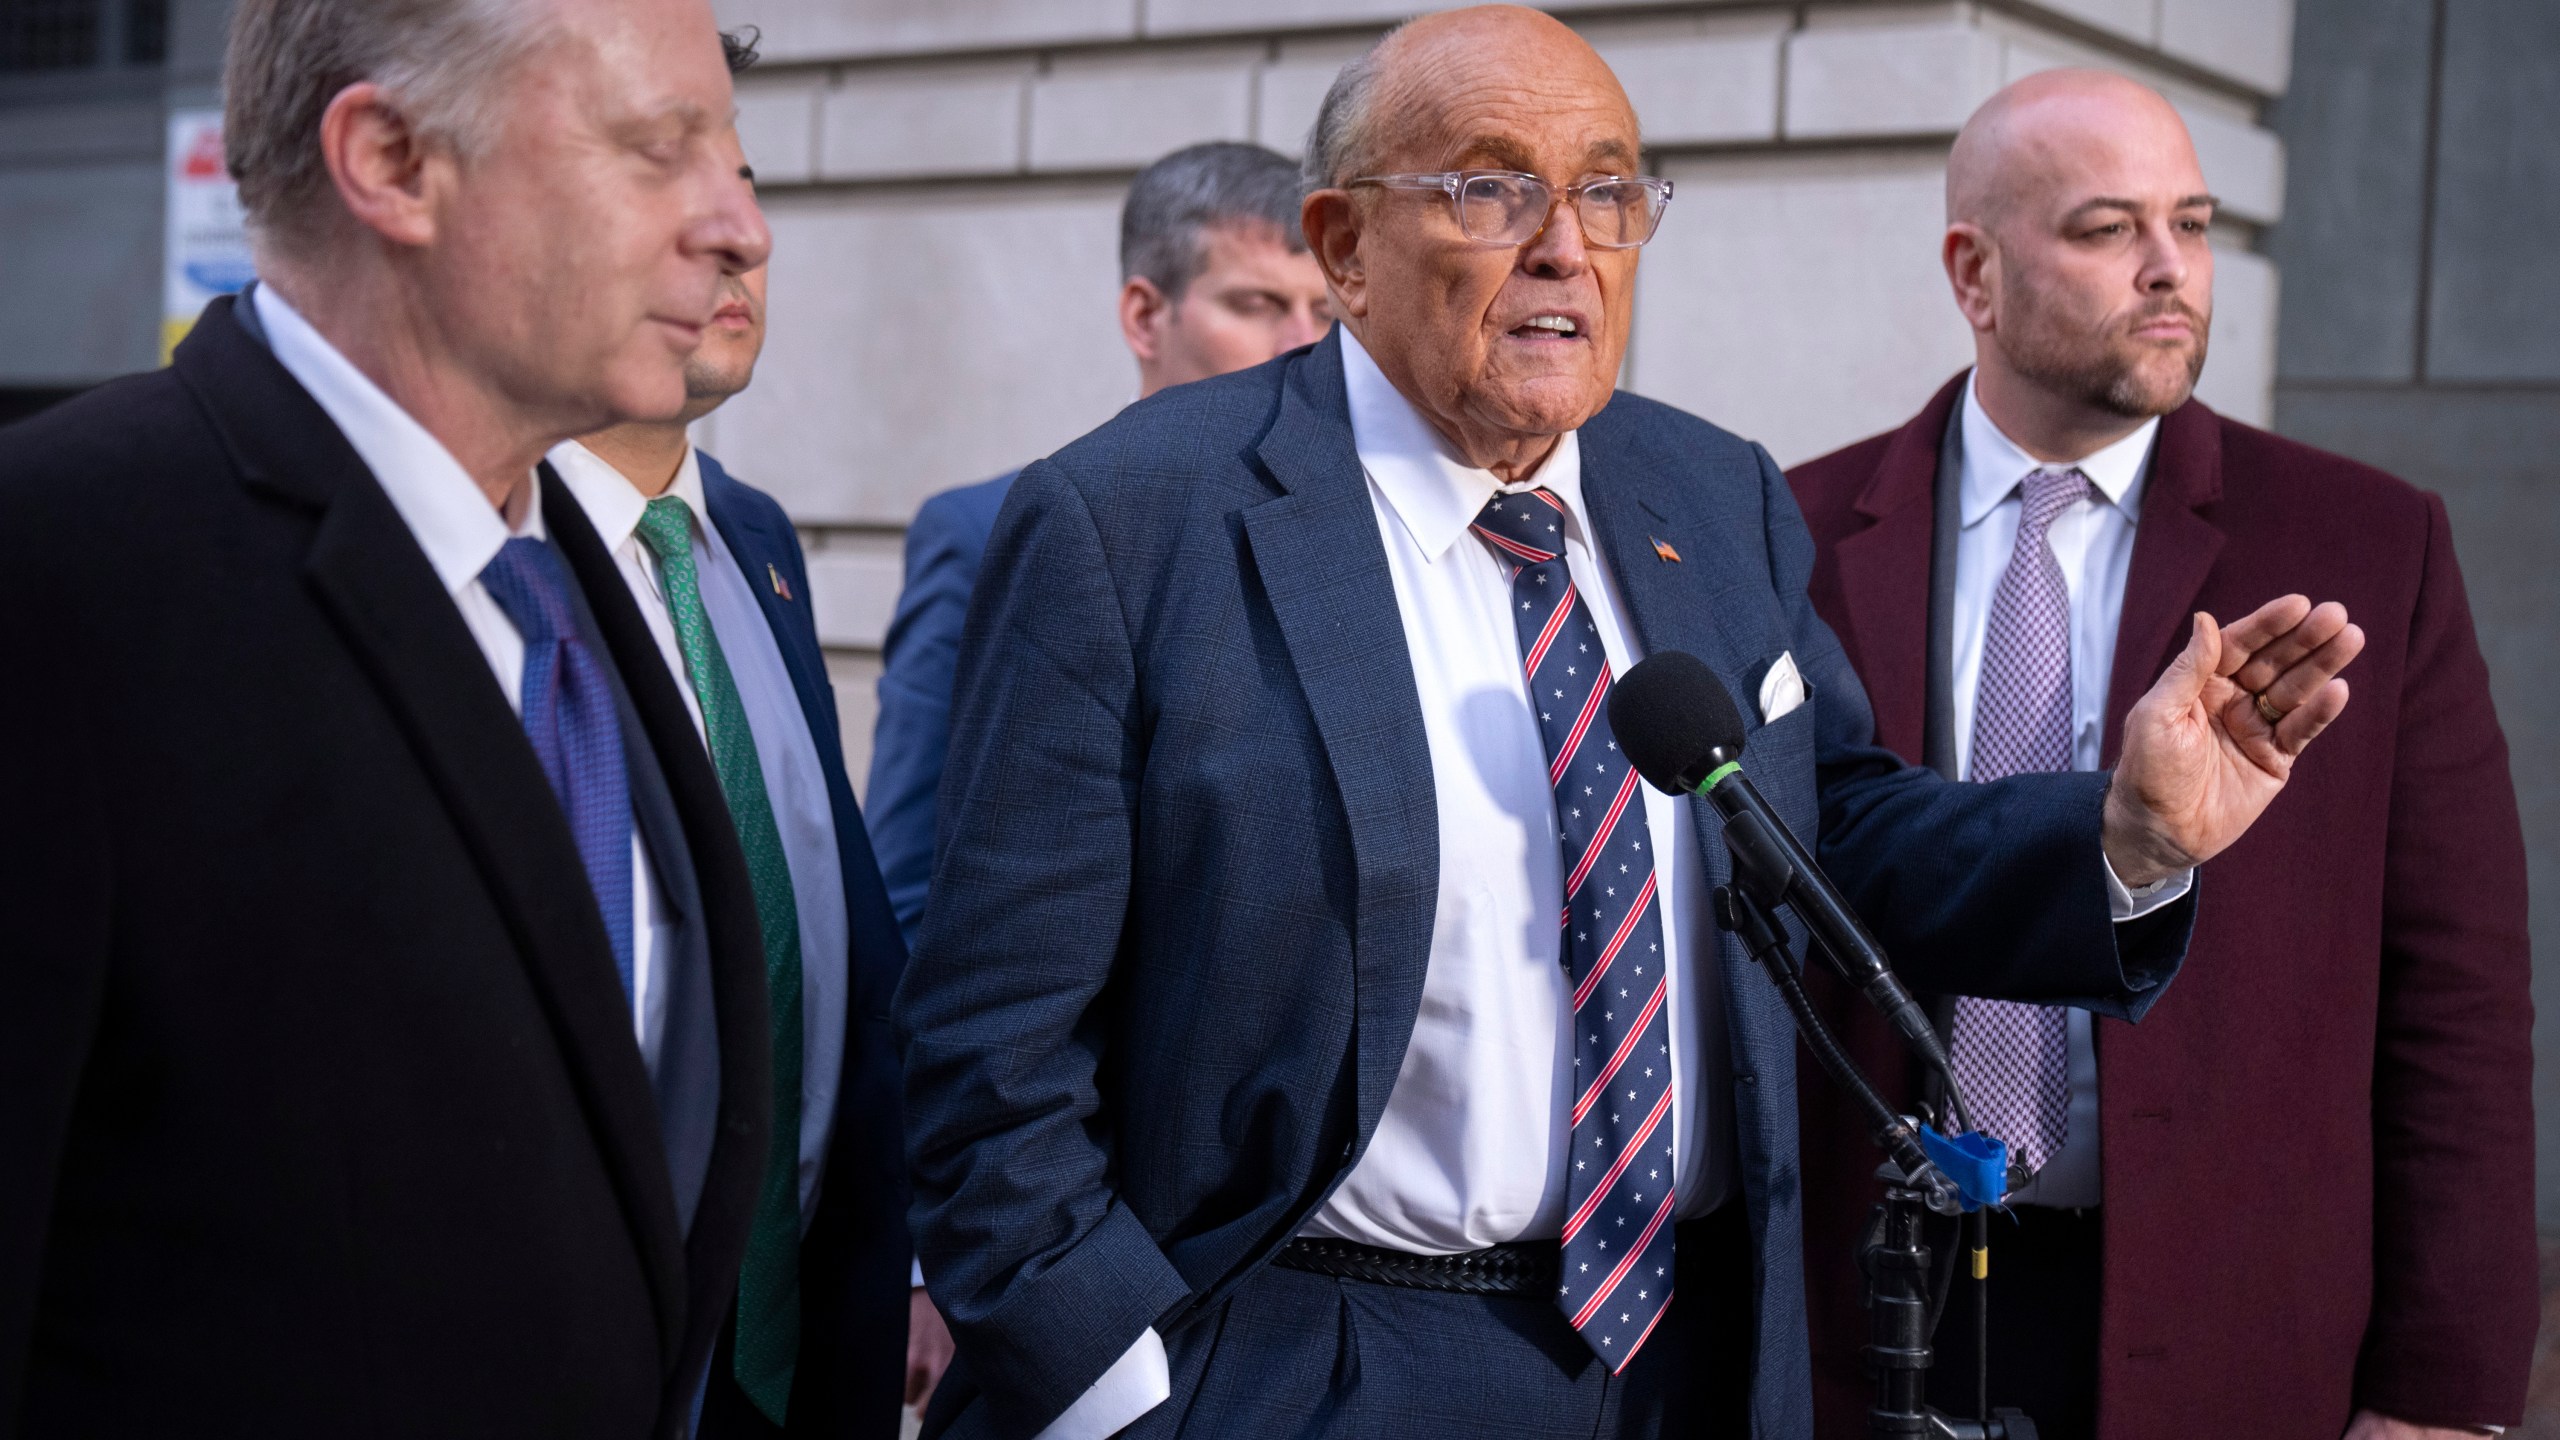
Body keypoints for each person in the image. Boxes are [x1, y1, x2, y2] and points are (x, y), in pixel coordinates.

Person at [895, 10, 2364, 1439]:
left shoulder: (1710, 495)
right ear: (1344, 246)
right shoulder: (1134, 521)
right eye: (1489, 188)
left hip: (1688, 1359)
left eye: (1608, 193)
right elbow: (990, 1046)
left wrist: (2128, 829)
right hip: (1309, 1361)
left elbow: (1825, 829)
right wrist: (1116, 1395)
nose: (1565, 246)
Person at [0, 0, 777, 1434]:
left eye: (733, 157)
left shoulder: (584, 592)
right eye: (661, 151)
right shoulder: (58, 574)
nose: (742, 227)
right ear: (394, 160)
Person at [1788, 69, 2533, 1440]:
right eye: (2104, 229)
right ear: (1977, 272)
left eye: (2190, 224)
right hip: (1863, 1314)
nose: (2169, 270)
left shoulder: (2365, 544)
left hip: (2222, 1320)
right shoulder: (1792, 531)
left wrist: (2442, 1386)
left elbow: (2458, 991)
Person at [549, 32, 949, 1435]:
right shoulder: (486, 572)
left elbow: (834, 937)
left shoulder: (756, 543)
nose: (740, 239)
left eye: (748, 182)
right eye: (664, 180)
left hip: (798, 1359)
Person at [866, 139, 1332, 944]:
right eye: (1256, 304)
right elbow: (911, 884)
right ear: (1146, 316)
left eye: (1323, 311)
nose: (1303, 343)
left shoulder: (1361, 539)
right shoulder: (986, 532)